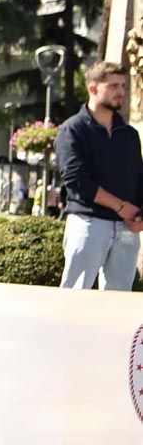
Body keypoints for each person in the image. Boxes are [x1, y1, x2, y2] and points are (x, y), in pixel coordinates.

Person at [54, 60, 143, 290]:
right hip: (89, 224)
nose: (121, 92)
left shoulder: (130, 135)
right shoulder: (72, 129)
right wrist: (120, 206)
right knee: (75, 296)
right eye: (113, 86)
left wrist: (140, 216)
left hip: (127, 228)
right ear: (92, 88)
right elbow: (77, 181)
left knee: (118, 303)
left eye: (123, 86)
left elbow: (139, 178)